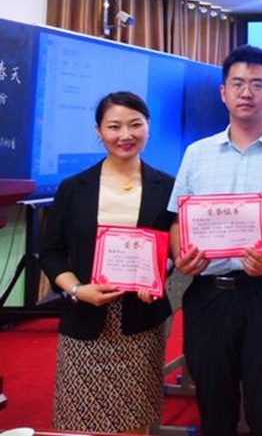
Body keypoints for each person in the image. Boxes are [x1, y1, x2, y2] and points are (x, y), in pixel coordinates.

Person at [169, 45, 262, 436]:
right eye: (237, 84)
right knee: (212, 400)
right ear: (223, 92)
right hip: (208, 293)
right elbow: (178, 219)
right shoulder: (197, 154)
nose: (246, 92)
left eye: (257, 84)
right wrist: (180, 255)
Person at [38, 91, 176, 433]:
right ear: (98, 131)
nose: (125, 135)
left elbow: (172, 252)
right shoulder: (74, 188)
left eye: (135, 124)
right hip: (84, 316)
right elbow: (51, 252)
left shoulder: (166, 186)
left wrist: (158, 275)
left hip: (141, 320)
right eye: (114, 126)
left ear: (148, 127)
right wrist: (76, 290)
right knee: (82, 421)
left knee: (135, 421)